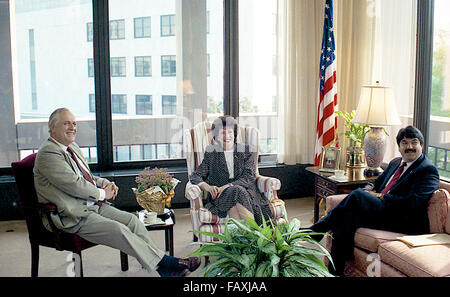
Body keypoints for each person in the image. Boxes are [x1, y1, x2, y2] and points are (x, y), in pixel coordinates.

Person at [33, 108, 200, 277]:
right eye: (66, 123)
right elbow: (75, 185)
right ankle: (167, 263)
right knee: (119, 230)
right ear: (52, 127)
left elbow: (86, 176)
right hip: (72, 215)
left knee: (133, 221)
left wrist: (103, 182)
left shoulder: (72, 147)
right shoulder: (48, 153)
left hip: (92, 206)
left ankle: (163, 269)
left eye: (74, 123)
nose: (72, 127)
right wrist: (103, 194)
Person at [309, 125, 440, 276]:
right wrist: (368, 190)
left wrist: (379, 197)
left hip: (404, 220)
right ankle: (335, 272)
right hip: (384, 211)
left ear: (421, 145)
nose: (409, 147)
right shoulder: (396, 162)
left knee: (357, 196)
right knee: (346, 218)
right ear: (399, 147)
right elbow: (376, 183)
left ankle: (316, 231)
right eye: (404, 143)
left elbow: (413, 202)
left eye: (414, 142)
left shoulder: (427, 170)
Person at [189, 116, 273, 225]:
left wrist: (228, 186)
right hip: (221, 196)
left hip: (247, 192)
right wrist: (208, 187)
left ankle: (241, 239)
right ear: (216, 136)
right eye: (223, 133)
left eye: (230, 132)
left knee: (235, 198)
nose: (227, 136)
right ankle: (256, 236)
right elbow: (196, 176)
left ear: (234, 134)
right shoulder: (211, 153)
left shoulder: (245, 150)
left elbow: (249, 177)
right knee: (236, 191)